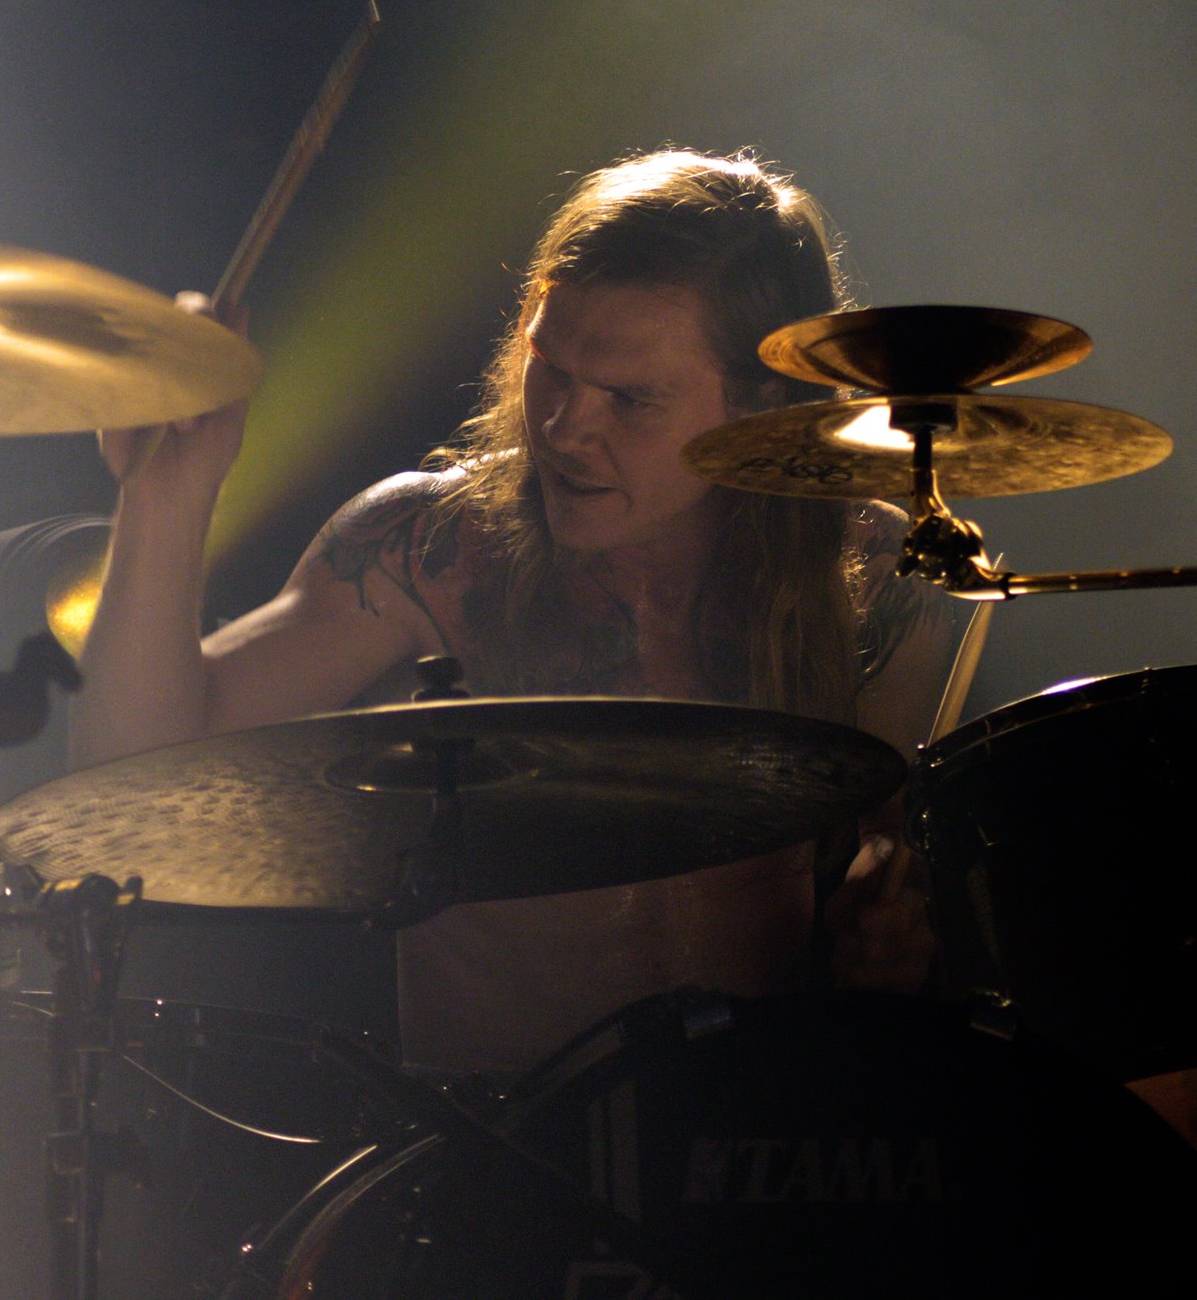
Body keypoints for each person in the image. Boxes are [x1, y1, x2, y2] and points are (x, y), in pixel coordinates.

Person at [70, 149, 960, 1071]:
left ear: (761, 405)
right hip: (493, 1144)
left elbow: (896, 870)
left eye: (629, 398)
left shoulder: (869, 574)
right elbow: (122, 789)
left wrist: (891, 935)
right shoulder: (432, 549)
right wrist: (164, 495)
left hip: (759, 1136)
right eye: (549, 367)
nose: (566, 427)